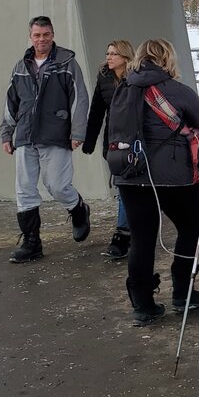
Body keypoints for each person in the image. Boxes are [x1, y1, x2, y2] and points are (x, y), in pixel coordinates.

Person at [107, 39, 199, 326]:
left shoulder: (123, 89)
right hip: (174, 176)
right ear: (167, 59)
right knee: (188, 230)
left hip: (130, 173)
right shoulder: (177, 90)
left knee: (141, 239)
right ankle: (183, 292)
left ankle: (143, 304)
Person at [0, 16, 91, 263]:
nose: (41, 39)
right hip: (25, 136)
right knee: (25, 190)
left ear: (53, 35)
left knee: (57, 186)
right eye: (37, 35)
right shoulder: (20, 67)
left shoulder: (67, 63)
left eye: (46, 34)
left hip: (56, 134)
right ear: (30, 36)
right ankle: (32, 243)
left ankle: (78, 209)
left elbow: (80, 99)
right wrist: (7, 133)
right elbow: (11, 104)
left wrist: (77, 133)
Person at [82, 39, 136, 260]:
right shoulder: (104, 77)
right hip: (113, 143)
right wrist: (89, 141)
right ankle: (123, 235)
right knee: (123, 188)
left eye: (114, 53)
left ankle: (129, 233)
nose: (109, 57)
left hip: (135, 142)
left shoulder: (137, 78)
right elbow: (97, 110)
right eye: (108, 53)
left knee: (132, 190)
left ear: (125, 56)